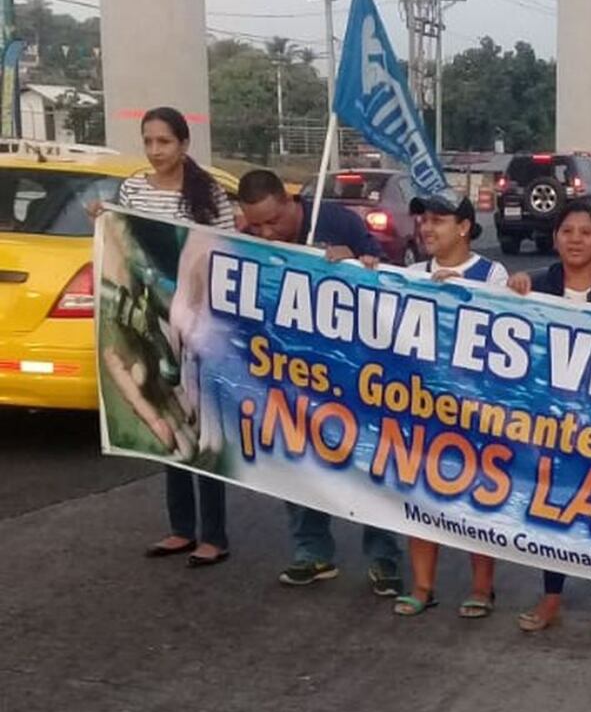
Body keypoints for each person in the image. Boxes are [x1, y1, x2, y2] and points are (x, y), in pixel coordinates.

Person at [237, 169, 403, 595]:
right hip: (290, 373)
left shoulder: (337, 220)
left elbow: (386, 280)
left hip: (351, 371)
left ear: (290, 201)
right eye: (256, 225)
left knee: (369, 462)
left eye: (273, 221)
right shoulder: (248, 238)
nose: (266, 232)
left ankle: (384, 559)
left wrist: (353, 260)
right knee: (298, 461)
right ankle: (312, 553)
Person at [507, 200, 591, 643]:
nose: (576, 240)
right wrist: (512, 293)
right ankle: (551, 596)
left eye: (586, 232)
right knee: (552, 504)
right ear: (555, 238)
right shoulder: (541, 284)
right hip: (552, 422)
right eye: (567, 231)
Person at [110, 107, 236, 567]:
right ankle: (181, 528)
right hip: (155, 316)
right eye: (148, 142)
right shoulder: (133, 189)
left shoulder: (210, 194)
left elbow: (224, 255)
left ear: (183, 144)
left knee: (206, 426)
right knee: (172, 415)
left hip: (200, 319)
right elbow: (121, 239)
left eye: (163, 141)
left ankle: (214, 535)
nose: (155, 151)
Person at [394, 194, 507, 619]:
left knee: (476, 497)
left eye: (437, 220)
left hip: (473, 409)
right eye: (423, 220)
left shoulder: (490, 273)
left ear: (463, 227)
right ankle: (423, 586)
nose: (426, 228)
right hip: (421, 406)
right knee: (421, 496)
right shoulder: (409, 273)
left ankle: (482, 587)